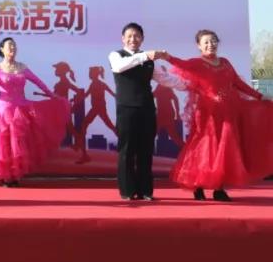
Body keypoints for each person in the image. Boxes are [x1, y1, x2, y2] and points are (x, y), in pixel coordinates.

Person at [164, 29, 272, 201]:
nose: (210, 44)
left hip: (229, 112)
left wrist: (259, 96)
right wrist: (166, 56)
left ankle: (219, 188)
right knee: (205, 148)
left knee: (224, 149)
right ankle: (198, 185)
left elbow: (238, 83)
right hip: (208, 114)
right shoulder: (196, 63)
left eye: (213, 41)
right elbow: (180, 64)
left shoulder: (225, 62)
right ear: (199, 46)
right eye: (206, 42)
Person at [0, 37, 68, 186]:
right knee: (4, 144)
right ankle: (6, 177)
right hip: (4, 110)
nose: (12, 48)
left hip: (21, 109)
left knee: (18, 145)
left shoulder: (22, 67)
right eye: (9, 46)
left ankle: (15, 175)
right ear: (2, 50)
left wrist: (52, 95)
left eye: (14, 46)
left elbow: (38, 82)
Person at [108, 22, 165, 201]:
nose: (133, 39)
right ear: (123, 39)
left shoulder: (149, 60)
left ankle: (145, 191)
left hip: (147, 108)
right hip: (126, 109)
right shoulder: (116, 55)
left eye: (137, 36)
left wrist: (190, 84)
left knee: (146, 150)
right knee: (127, 150)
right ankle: (127, 191)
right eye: (130, 36)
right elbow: (120, 67)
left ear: (142, 39)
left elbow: (165, 79)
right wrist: (145, 56)